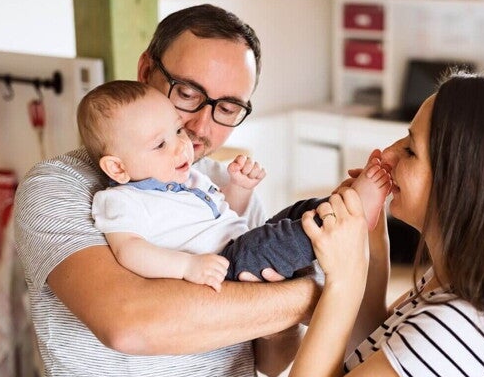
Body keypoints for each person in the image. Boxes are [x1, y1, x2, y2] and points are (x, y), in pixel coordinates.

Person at [14, 4, 322, 377]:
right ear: (146, 73)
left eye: (228, 108)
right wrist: (314, 297)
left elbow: (271, 360)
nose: (199, 126)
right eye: (188, 94)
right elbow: (128, 324)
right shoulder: (60, 187)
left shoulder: (217, 191)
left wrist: (279, 310)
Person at [277, 73, 484, 377]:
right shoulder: (452, 289)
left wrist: (344, 280)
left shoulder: (458, 331)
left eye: (410, 149)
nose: (386, 155)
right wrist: (369, 247)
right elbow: (374, 352)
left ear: (465, 184)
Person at [78, 80, 390, 289]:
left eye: (176, 131)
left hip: (242, 241)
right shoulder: (121, 200)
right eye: (160, 144)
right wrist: (187, 267)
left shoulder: (189, 177)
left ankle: (346, 207)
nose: (180, 146)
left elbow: (228, 213)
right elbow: (129, 251)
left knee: (296, 214)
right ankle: (353, 210)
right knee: (283, 238)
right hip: (226, 266)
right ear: (117, 167)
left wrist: (238, 188)